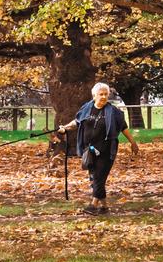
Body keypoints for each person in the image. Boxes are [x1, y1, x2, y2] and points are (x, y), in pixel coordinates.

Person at [57, 82, 140, 215]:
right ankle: (104, 207)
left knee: (99, 178)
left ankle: (93, 205)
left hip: (107, 151)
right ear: (94, 95)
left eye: (106, 94)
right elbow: (77, 122)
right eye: (101, 94)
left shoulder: (114, 112)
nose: (103, 97)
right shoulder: (87, 108)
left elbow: (123, 127)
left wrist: (133, 142)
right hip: (89, 151)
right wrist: (64, 128)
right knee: (94, 178)